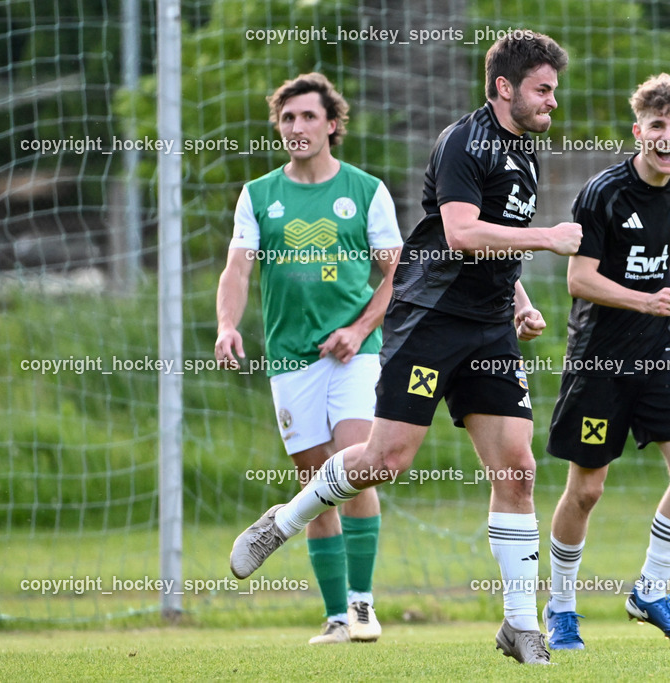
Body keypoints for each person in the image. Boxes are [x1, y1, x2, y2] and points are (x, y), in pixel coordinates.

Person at [229, 32, 580, 665]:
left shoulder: (526, 151)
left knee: (518, 471)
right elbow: (462, 231)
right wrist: (548, 238)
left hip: (491, 325)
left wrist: (522, 300)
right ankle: (282, 522)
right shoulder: (462, 143)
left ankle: (521, 625)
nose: (553, 101)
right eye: (543, 89)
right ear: (505, 87)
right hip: (430, 319)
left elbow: (493, 241)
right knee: (384, 460)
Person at [215, 73, 403, 645]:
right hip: (289, 359)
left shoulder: (366, 190)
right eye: (287, 118)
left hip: (355, 355)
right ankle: (336, 618)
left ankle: (364, 605)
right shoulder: (259, 194)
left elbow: (398, 273)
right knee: (313, 480)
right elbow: (239, 268)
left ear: (332, 125)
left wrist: (360, 327)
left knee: (359, 462)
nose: (297, 127)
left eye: (308, 117)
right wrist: (226, 325)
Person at [541, 74, 670, 650]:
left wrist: (669, 319)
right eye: (657, 126)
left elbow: (662, 261)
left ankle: (651, 592)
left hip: (656, 353)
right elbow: (578, 280)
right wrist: (647, 302)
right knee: (586, 492)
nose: (668, 136)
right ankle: (561, 608)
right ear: (639, 131)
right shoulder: (602, 193)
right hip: (600, 359)